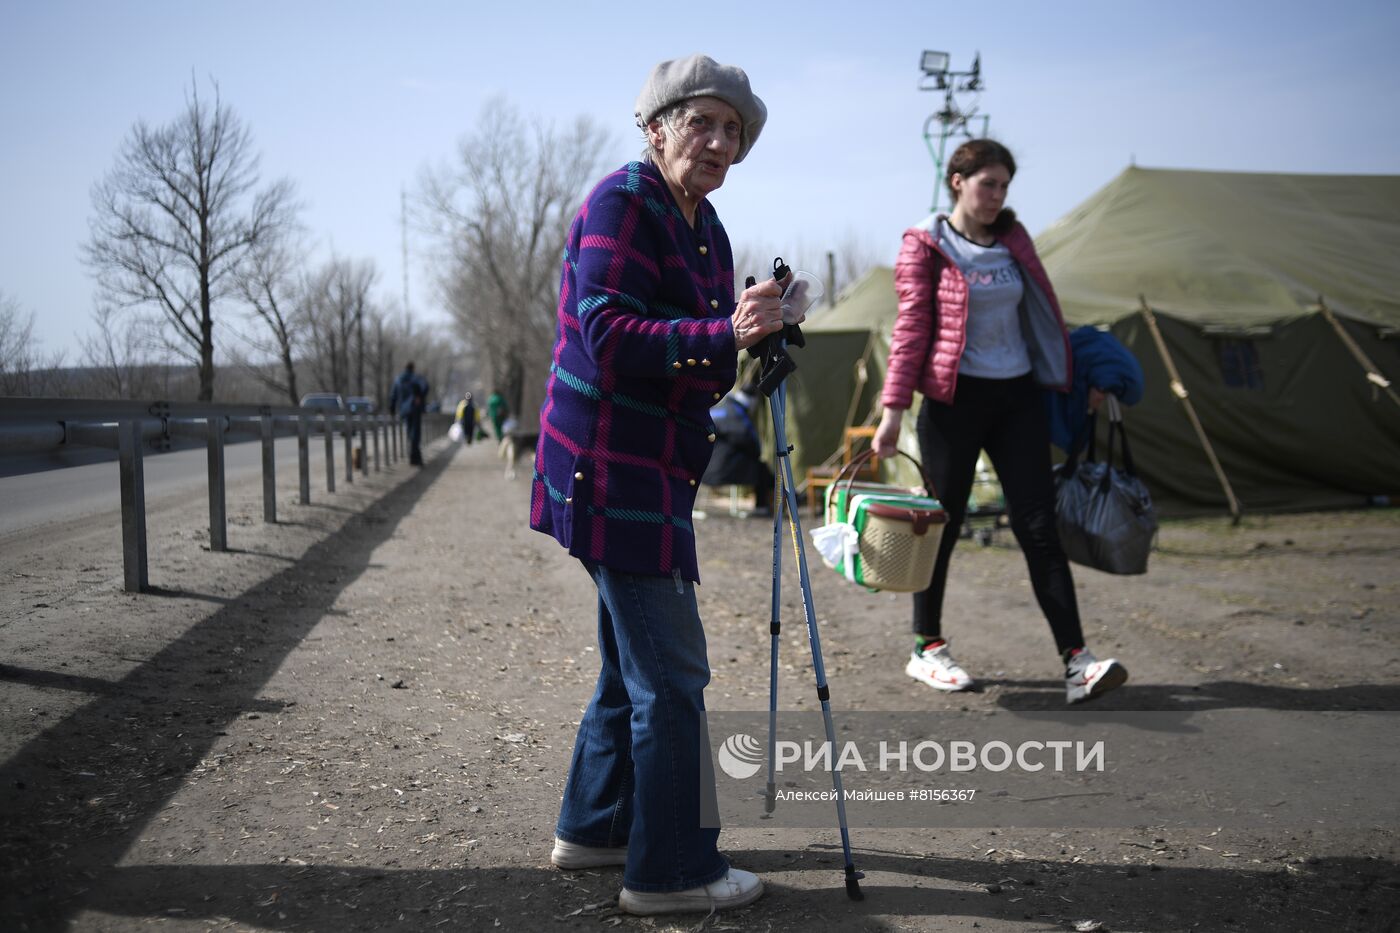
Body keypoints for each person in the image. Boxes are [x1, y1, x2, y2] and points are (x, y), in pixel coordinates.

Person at [530, 54, 789, 915]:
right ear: (656, 128)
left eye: (732, 130)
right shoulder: (622, 201)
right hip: (606, 466)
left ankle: (596, 827)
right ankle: (672, 870)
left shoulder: (707, 227)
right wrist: (723, 328)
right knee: (673, 676)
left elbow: (702, 354)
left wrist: (753, 341)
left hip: (656, 467)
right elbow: (608, 333)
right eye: (701, 122)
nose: (718, 141)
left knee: (628, 665)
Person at [872, 138, 1128, 706]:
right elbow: (911, 328)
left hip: (1018, 397)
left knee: (1038, 527)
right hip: (953, 402)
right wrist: (892, 414)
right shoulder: (926, 243)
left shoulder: (1014, 240)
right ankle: (927, 647)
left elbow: (1044, 313)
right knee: (942, 526)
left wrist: (1075, 378)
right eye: (988, 183)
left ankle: (1077, 663)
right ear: (958, 181)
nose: (998, 196)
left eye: (1005, 186)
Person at [701, 380, 774, 514]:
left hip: (703, 467)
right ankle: (762, 507)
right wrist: (756, 452)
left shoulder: (719, 406)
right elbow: (750, 442)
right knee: (761, 468)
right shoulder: (737, 413)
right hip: (720, 471)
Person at [389, 361, 429, 466]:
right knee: (415, 433)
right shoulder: (416, 378)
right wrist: (420, 397)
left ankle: (413, 456)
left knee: (409, 432)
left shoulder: (398, 379)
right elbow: (425, 387)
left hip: (404, 410)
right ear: (413, 368)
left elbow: (393, 395)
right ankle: (415, 457)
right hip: (415, 408)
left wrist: (392, 409)